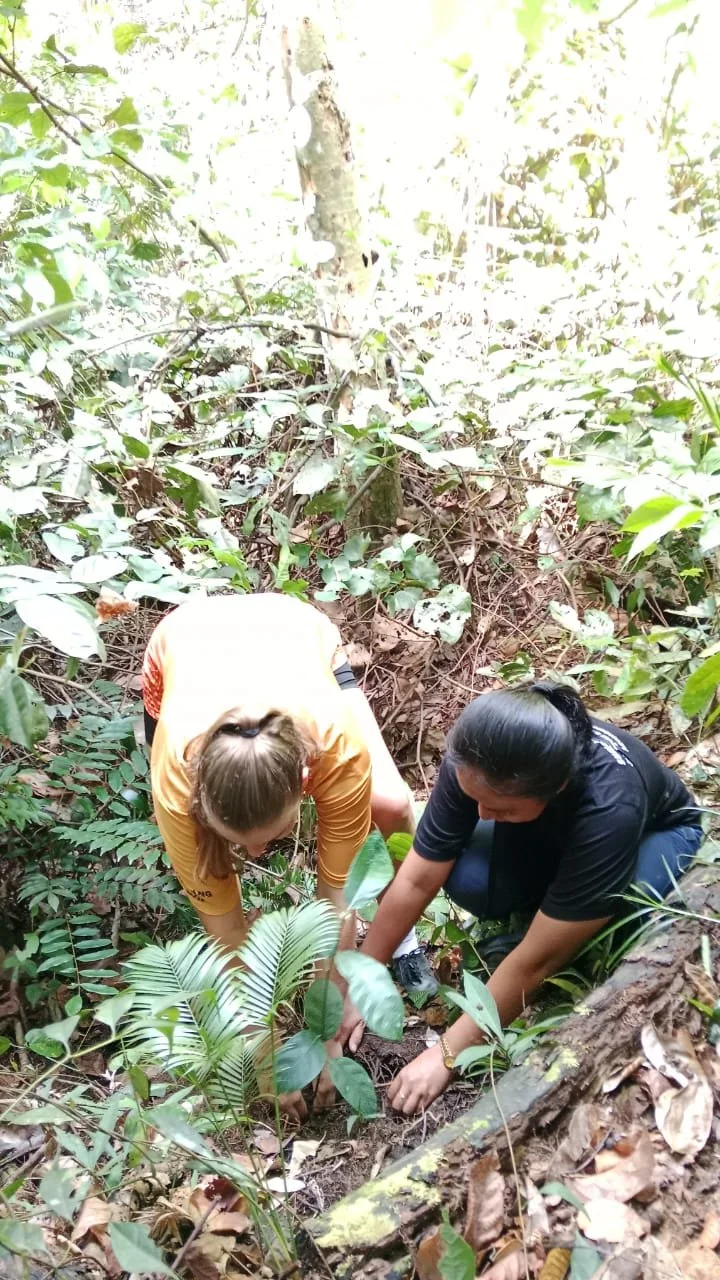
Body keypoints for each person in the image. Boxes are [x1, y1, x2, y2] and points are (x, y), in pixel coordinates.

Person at [338, 682, 703, 1114]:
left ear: (556, 786)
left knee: (624, 921)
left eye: (499, 809)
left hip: (654, 833)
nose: (481, 817)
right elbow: (418, 878)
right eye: (474, 799)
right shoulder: (477, 756)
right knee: (470, 877)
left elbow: (538, 961)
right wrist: (361, 981)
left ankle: (567, 916)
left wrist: (446, 1055)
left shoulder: (610, 806)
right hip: (550, 829)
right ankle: (554, 904)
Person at [141, 592, 436, 989]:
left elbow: (337, 900)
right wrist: (257, 1036)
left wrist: (329, 1010)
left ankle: (402, 939)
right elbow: (224, 933)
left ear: (304, 781)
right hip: (180, 643)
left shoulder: (336, 747)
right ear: (199, 800)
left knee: (391, 803)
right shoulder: (175, 782)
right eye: (239, 841)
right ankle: (193, 855)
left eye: (273, 836)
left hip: (294, 631)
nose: (256, 854)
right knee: (196, 859)